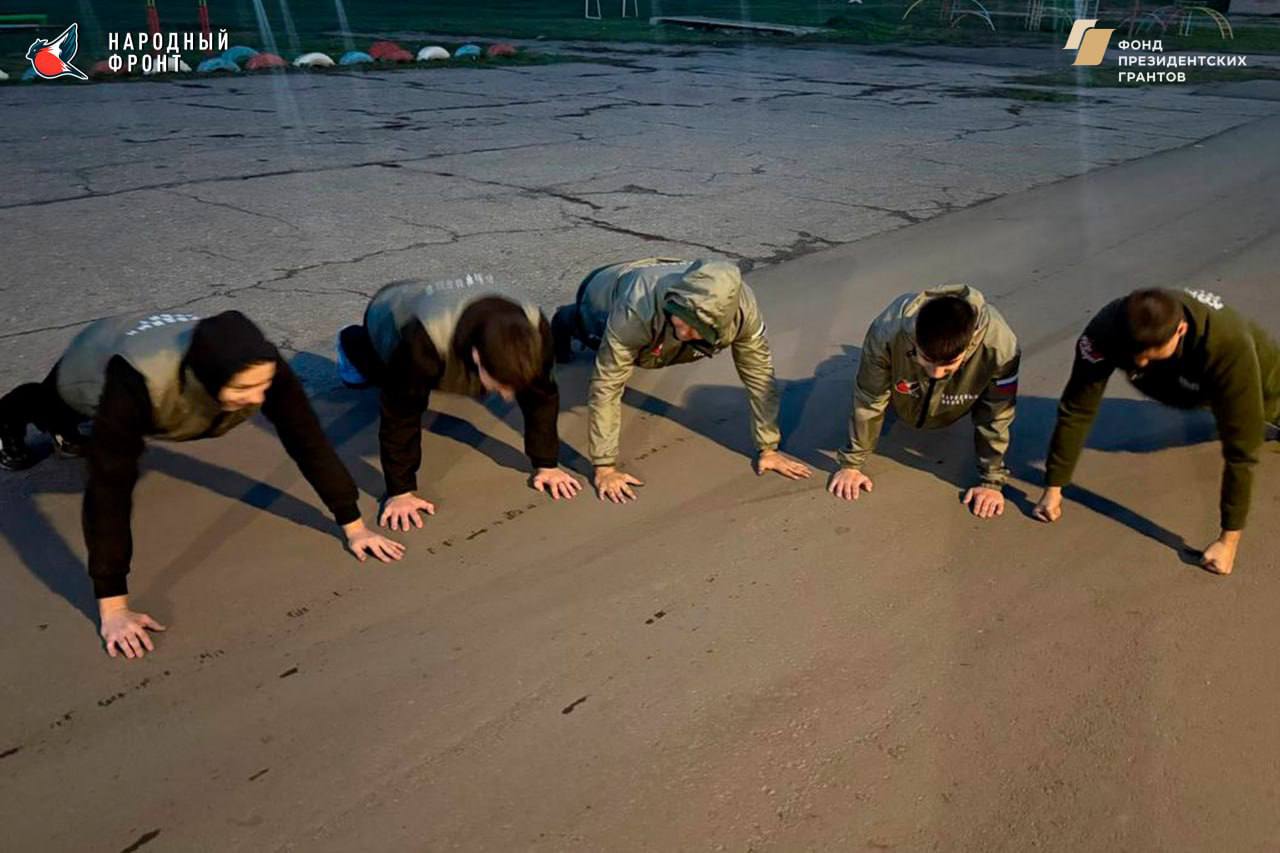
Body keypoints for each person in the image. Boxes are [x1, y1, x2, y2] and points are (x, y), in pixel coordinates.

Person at [0, 310, 404, 659]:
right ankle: (12, 419)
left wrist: (354, 526)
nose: (260, 397)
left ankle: (64, 430)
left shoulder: (259, 366)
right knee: (56, 406)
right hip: (100, 356)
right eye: (244, 390)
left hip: (172, 349)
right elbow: (108, 492)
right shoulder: (133, 382)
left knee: (83, 434)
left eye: (262, 386)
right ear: (207, 378)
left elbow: (308, 442)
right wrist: (114, 609)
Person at [1035, 287, 1280, 575]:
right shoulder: (1104, 330)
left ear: (1181, 330)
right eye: (1134, 353)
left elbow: (1241, 453)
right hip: (1185, 384)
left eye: (1150, 355)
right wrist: (1053, 487)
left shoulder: (1228, 345)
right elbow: (1077, 408)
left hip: (1258, 378)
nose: (1139, 363)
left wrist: (1229, 540)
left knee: (1255, 421)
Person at [550, 257, 811, 502]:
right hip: (607, 291)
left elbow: (759, 376)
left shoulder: (743, 310)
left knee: (664, 346)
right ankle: (561, 324)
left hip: (667, 279)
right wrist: (604, 467)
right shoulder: (636, 308)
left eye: (694, 327)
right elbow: (606, 386)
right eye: (682, 319)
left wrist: (769, 449)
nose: (684, 331)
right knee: (587, 331)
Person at [336, 273, 581, 531]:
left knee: (528, 386)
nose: (508, 397)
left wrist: (546, 464)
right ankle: (349, 340)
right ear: (477, 356)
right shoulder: (423, 342)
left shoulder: (535, 331)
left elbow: (542, 397)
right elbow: (400, 417)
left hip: (471, 309)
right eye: (502, 384)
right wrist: (401, 492)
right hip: (394, 310)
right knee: (383, 378)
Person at [829, 286, 1021, 518]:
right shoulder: (886, 332)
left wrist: (991, 481)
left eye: (947, 366)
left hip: (963, 394)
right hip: (902, 383)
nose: (936, 373)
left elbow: (996, 415)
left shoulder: (1001, 347)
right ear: (914, 340)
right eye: (927, 360)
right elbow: (870, 398)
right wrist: (852, 464)